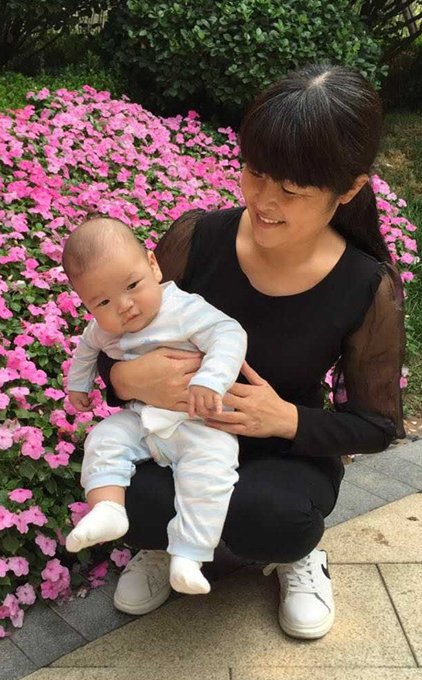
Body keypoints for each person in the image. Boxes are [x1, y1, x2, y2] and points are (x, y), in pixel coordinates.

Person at [96, 63, 406, 639]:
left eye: (291, 190)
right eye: (255, 173)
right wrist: (125, 378)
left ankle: (298, 557)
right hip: (176, 437)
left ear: (348, 190)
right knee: (123, 493)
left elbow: (378, 425)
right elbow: (116, 337)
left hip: (282, 455)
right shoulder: (197, 240)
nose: (263, 201)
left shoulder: (365, 286)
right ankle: (163, 543)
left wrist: (286, 419)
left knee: (271, 518)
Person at [62, 218, 247, 595]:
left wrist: (211, 379)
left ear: (153, 265)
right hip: (142, 419)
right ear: (88, 305)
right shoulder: (102, 329)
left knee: (212, 470)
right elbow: (86, 349)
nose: (124, 306)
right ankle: (108, 509)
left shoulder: (182, 309)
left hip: (198, 422)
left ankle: (189, 554)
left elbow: (229, 333)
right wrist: (78, 385)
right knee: (103, 438)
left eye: (132, 285)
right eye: (103, 302)